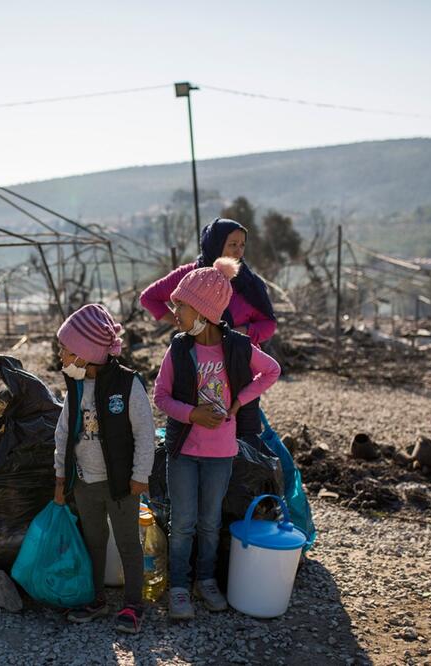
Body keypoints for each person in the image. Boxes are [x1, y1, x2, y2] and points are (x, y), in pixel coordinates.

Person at [152, 258, 281, 620]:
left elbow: (271, 370)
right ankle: (179, 585)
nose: (174, 312)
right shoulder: (178, 349)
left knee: (210, 523)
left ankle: (205, 581)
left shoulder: (238, 349)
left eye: (181, 306)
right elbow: (160, 396)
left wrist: (239, 401)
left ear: (204, 311)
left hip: (221, 453)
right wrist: (192, 414)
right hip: (183, 452)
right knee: (183, 522)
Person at [52, 303, 155, 634]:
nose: (62, 359)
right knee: (93, 540)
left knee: (128, 543)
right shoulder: (75, 384)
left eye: (66, 352)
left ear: (86, 354)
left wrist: (141, 475)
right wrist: (60, 477)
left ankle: (133, 604)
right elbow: (64, 433)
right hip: (85, 483)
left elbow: (145, 434)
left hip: (121, 485)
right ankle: (95, 599)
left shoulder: (128, 385)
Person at [140, 218, 278, 446]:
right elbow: (149, 298)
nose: (238, 250)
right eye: (232, 244)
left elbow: (269, 324)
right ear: (215, 243)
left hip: (241, 367)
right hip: (196, 363)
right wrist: (184, 322)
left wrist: (243, 332)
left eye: (242, 245)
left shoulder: (250, 284)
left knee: (243, 430)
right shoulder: (191, 277)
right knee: (194, 423)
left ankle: (237, 476)